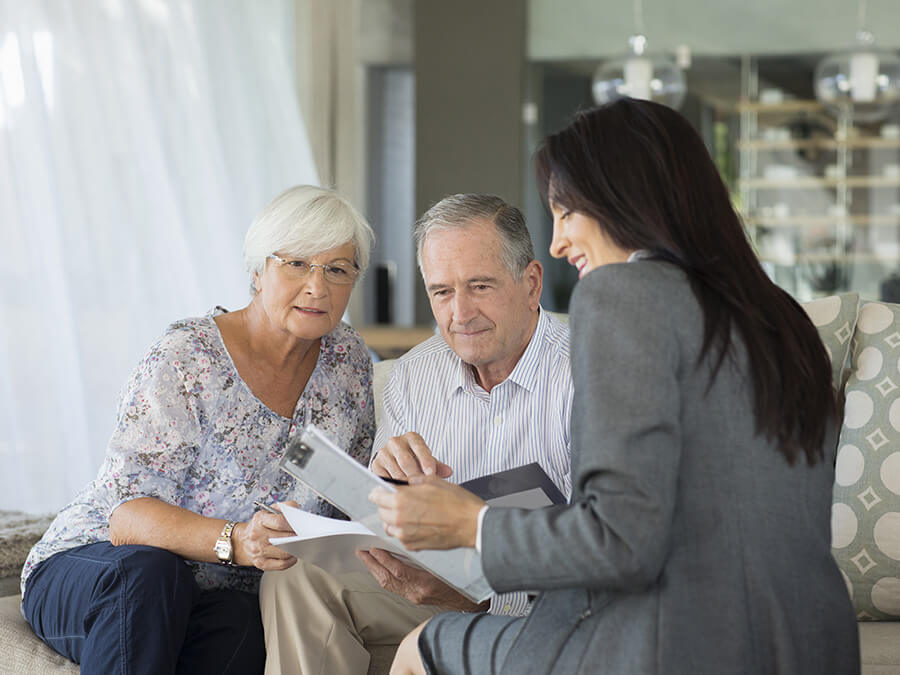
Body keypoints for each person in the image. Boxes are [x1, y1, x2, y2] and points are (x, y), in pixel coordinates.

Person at [374, 99, 861, 675]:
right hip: (811, 645)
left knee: (418, 648)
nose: (556, 242)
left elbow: (622, 541)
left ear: (620, 199)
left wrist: (467, 523)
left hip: (674, 646)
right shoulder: (779, 316)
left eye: (566, 212)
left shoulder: (624, 296)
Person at [20, 185, 376, 674]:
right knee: (150, 574)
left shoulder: (349, 364)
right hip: (100, 568)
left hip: (215, 594)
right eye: (296, 263)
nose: (317, 286)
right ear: (257, 271)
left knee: (245, 625)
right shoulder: (187, 357)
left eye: (337, 269)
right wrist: (237, 540)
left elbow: (352, 498)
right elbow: (127, 516)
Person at [259, 193, 573, 674]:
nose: (460, 313)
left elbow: (606, 548)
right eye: (442, 292)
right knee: (296, 574)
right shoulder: (411, 376)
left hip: (554, 603)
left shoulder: (590, 374)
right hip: (434, 584)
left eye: (480, 286)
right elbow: (387, 518)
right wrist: (385, 487)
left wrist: (485, 600)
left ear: (531, 283)